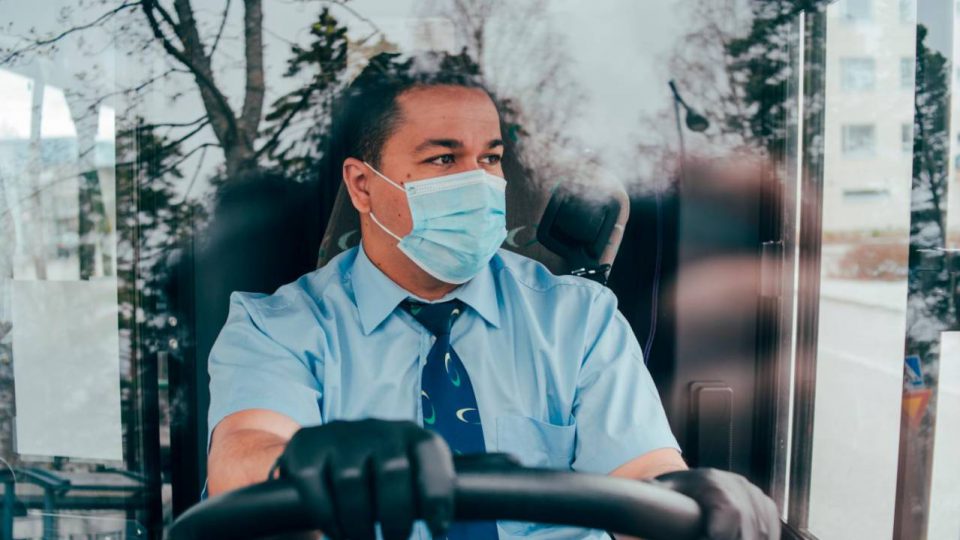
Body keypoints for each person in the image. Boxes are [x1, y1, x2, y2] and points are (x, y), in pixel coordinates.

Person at [205, 54, 779, 539]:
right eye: (443, 158)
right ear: (362, 185)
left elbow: (643, 473)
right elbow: (243, 453)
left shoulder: (580, 318)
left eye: (490, 158)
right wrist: (308, 463)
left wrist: (695, 501)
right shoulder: (277, 326)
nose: (478, 181)